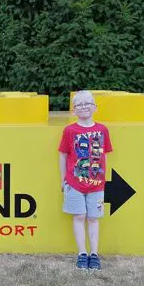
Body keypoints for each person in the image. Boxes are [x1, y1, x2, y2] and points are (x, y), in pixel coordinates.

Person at [58, 91, 112, 270]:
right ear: (73, 111)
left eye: (88, 103)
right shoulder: (70, 130)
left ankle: (94, 254)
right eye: (79, 105)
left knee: (93, 218)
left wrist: (105, 178)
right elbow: (63, 155)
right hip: (74, 183)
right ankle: (82, 253)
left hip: (97, 184)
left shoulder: (102, 129)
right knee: (79, 216)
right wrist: (63, 179)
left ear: (95, 107)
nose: (84, 107)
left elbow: (104, 155)